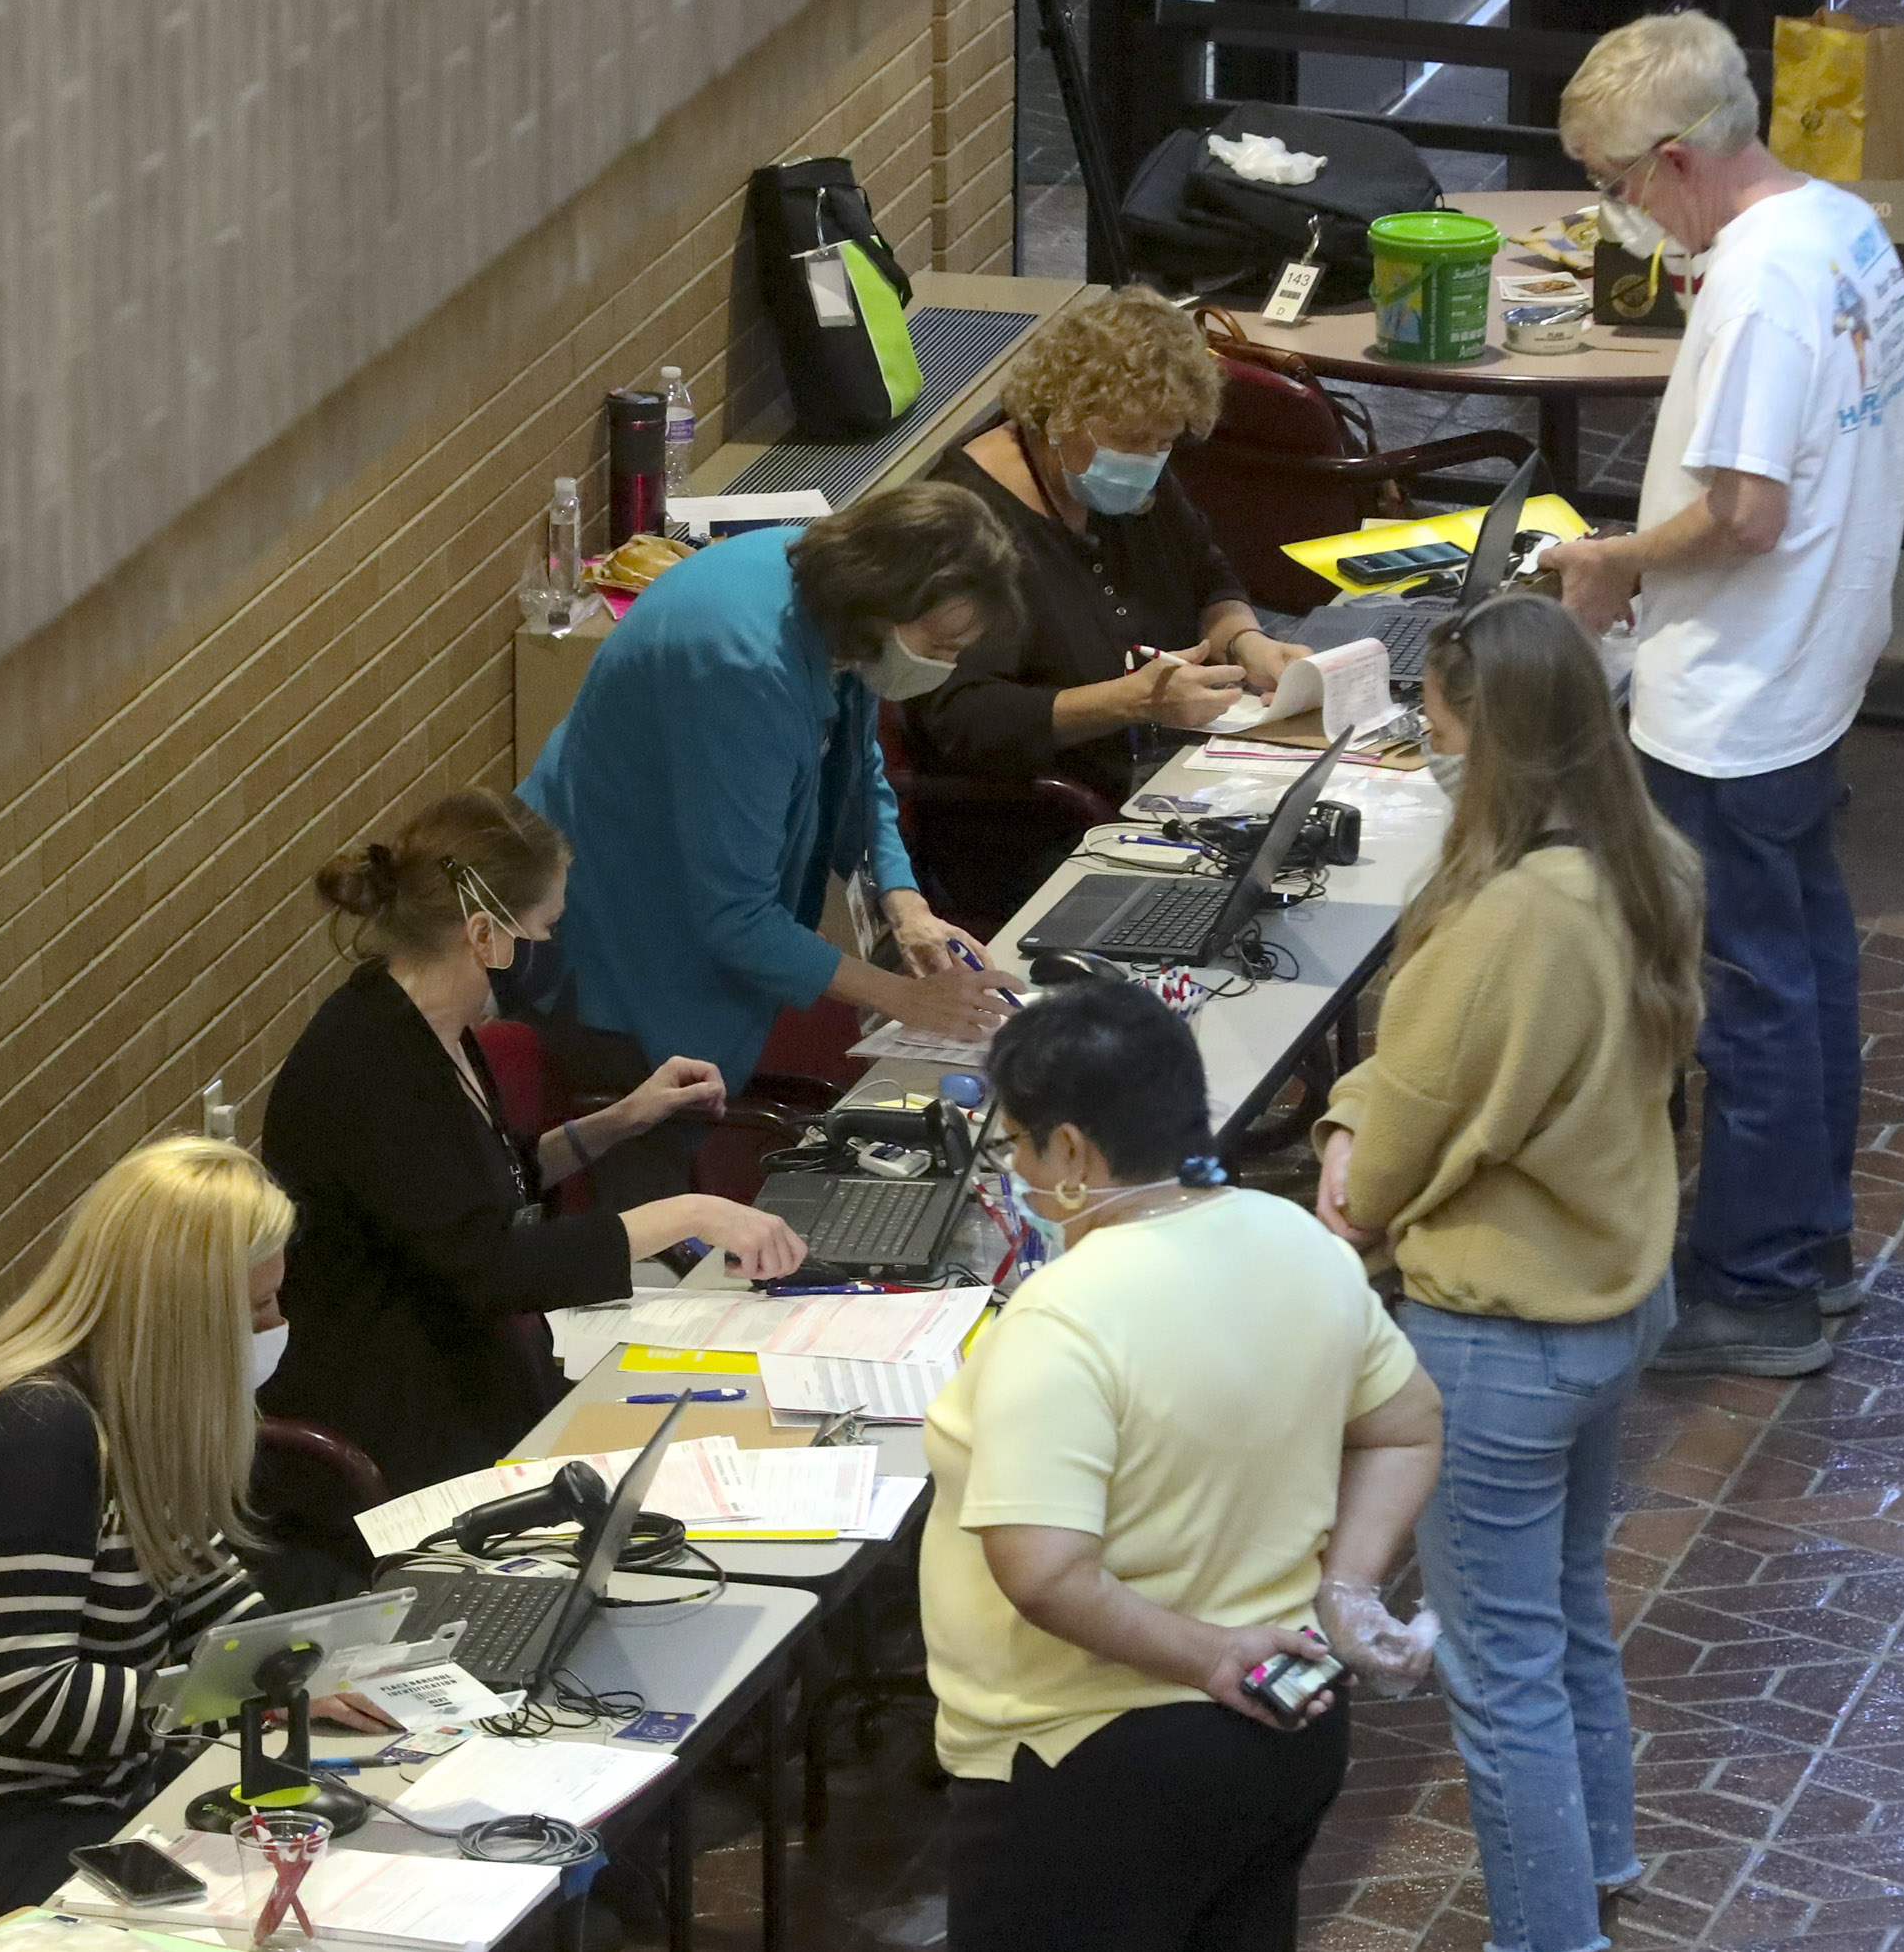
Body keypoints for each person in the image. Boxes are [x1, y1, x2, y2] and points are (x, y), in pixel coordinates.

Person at [1314, 595, 1705, 1952]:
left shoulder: (1503, 928)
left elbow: (1396, 1147)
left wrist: (1349, 1137)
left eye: (1436, 724)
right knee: (1567, 1613)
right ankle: (1602, 1859)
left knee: (1497, 1669)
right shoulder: (1640, 859)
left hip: (1503, 1339)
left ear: (1492, 742)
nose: (1427, 743)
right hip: (1615, 1300)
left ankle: (1551, 1934)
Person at [1541, 10, 1904, 1375]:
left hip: (1734, 698)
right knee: (1809, 969)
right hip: (1811, 672)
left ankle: (1754, 1286)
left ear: (1681, 154)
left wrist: (1610, 565)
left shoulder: (1759, 285)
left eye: (1617, 183)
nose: (1622, 213)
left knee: (1741, 1001)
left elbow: (1747, 512)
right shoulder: (1845, 231)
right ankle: (1807, 1250)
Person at [922, 981, 1442, 1952]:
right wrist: (1348, 1589)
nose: (1020, 1173)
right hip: (1285, 1726)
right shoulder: (1298, 1241)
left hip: (1087, 1761)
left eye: (1020, 1146)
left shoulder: (1066, 1315)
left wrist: (1209, 1654)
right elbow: (1407, 1427)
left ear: (1072, 1150)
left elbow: (1042, 1569)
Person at [0, 1139, 386, 1952]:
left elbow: (201, 1584)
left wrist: (297, 1665)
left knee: (326, 1860)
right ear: (183, 1318)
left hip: (80, 1798)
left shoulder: (132, 1408)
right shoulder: (39, 1434)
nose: (277, 1328)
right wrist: (239, 1696)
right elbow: (34, 1699)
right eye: (256, 1311)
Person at [256, 792, 805, 1591]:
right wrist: (690, 1212)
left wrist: (624, 1118)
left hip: (472, 1368)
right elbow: (489, 1261)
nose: (549, 944)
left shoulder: (430, 1026)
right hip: (399, 1412)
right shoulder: (369, 1065)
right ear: (483, 934)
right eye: (540, 929)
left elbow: (484, 1182)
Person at [517, 482, 1028, 1205]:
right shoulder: (743, 666)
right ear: (880, 600)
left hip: (686, 902)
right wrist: (903, 999)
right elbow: (736, 919)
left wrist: (904, 901)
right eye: (940, 646)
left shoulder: (829, 604)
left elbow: (857, 763)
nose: (944, 665)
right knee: (642, 1195)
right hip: (612, 935)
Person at [909, 286, 1309, 916]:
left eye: (1165, 443)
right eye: (1133, 440)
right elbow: (964, 720)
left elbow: (1208, 575)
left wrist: (1245, 640)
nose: (1149, 460)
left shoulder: (1126, 476)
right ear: (1061, 414)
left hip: (1166, 776)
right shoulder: (965, 526)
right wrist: (1131, 701)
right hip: (1048, 825)